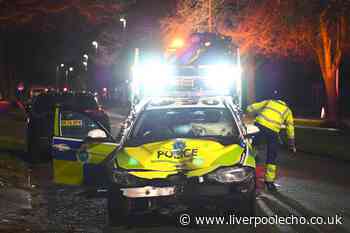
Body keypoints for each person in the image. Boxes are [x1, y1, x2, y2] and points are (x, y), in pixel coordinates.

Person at [246, 92, 296, 191]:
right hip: (273, 132)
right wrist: (292, 143)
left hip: (259, 127)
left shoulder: (270, 102)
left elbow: (250, 108)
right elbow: (290, 128)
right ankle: (269, 182)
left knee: (252, 150)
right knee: (271, 155)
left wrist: (249, 116)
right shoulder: (287, 111)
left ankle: (249, 173)